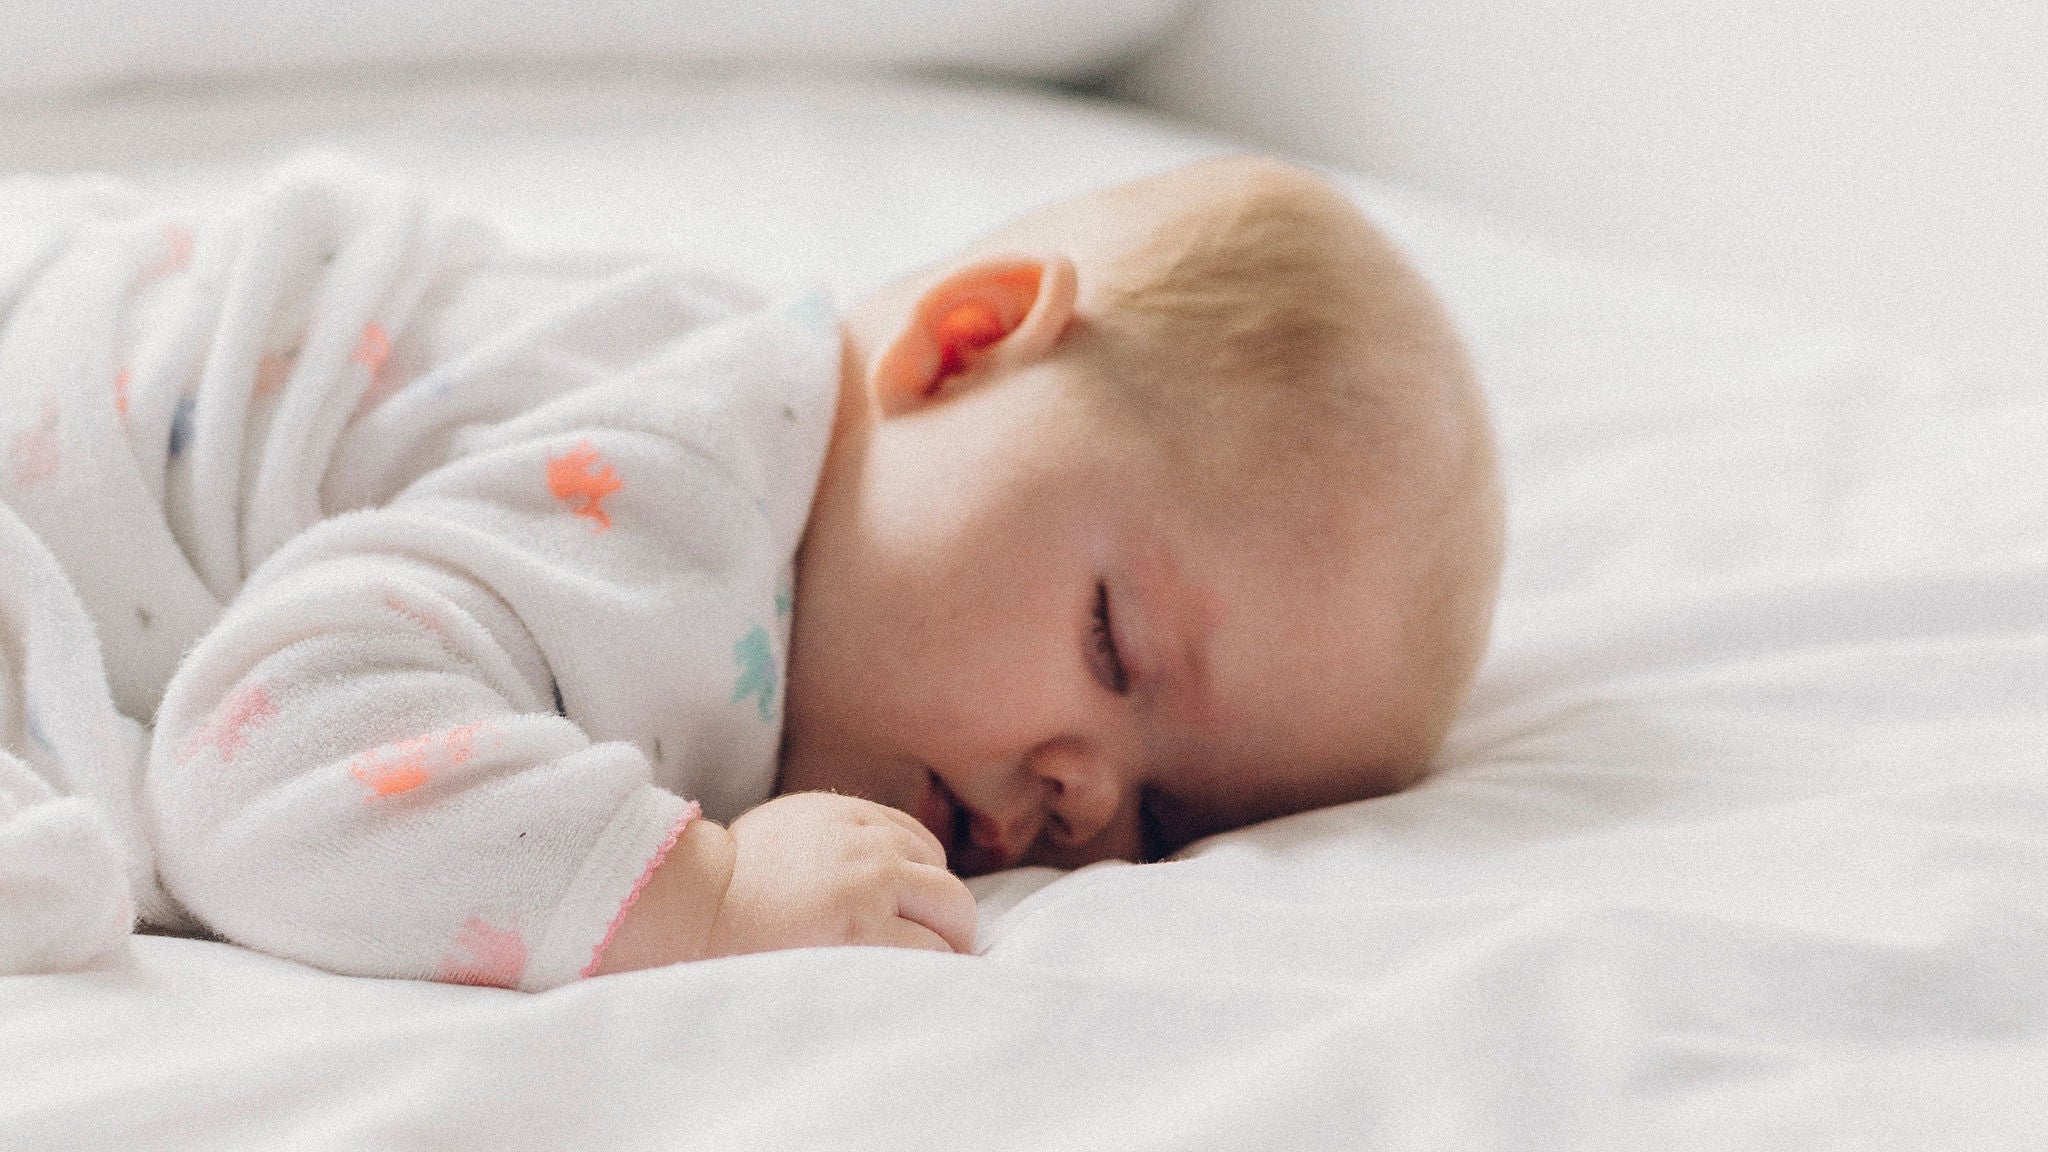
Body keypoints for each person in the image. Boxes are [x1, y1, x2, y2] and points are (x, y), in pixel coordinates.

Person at [0, 154, 1502, 987]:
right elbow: (253, 769)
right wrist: (698, 894)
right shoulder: (688, 513)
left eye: (1167, 813)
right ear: (965, 346)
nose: (1085, 798)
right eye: (1114, 646)